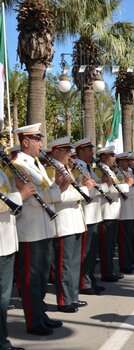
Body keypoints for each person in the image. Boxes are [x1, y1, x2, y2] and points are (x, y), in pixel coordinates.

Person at [12, 124, 70, 335]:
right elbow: (36, 197)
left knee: (42, 276)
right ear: (25, 142)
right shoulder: (19, 165)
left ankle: (41, 315)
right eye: (37, 139)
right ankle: (33, 321)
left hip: (44, 228)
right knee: (31, 278)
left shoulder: (37, 164)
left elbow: (49, 191)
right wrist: (56, 191)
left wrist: (59, 187)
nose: (40, 143)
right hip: (30, 230)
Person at [48, 137, 91, 313]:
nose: (69, 154)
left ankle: (73, 297)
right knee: (65, 264)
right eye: (66, 151)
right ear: (56, 151)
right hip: (64, 222)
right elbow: (56, 197)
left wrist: (82, 184)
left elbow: (71, 190)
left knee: (74, 263)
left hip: (75, 221)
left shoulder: (66, 168)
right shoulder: (51, 169)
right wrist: (84, 191)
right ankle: (64, 300)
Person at [0, 146, 35, 350]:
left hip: (6, 241)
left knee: (3, 300)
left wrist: (19, 185)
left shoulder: (2, 171)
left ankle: (2, 342)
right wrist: (20, 195)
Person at [73, 138, 105, 295]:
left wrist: (100, 183)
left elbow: (96, 184)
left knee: (92, 253)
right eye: (89, 150)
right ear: (81, 151)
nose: (92, 153)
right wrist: (91, 186)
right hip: (86, 215)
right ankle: (84, 282)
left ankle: (91, 279)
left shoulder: (88, 167)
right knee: (86, 252)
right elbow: (79, 188)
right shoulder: (77, 167)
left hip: (94, 214)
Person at [97, 146, 129, 282]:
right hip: (107, 212)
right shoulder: (100, 169)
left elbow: (113, 186)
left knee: (111, 245)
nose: (114, 158)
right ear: (104, 156)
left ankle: (110, 270)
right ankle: (107, 272)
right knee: (107, 246)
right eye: (112, 155)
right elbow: (108, 189)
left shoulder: (108, 169)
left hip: (113, 211)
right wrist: (127, 185)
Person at [115, 152, 134, 275]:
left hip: (133, 210)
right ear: (119, 162)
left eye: (127, 161)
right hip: (125, 211)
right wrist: (130, 185)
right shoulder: (118, 174)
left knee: (131, 238)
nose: (127, 163)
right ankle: (125, 264)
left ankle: (130, 260)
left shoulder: (129, 172)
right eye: (124, 161)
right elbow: (124, 191)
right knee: (125, 240)